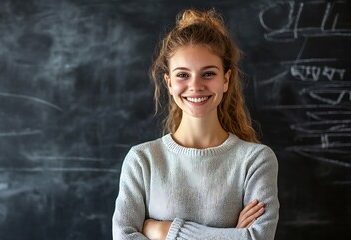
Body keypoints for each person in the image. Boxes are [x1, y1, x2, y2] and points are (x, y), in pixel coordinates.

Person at [112, 8, 279, 240]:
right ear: (169, 83)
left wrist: (164, 231)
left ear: (226, 80)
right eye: (182, 75)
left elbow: (258, 238)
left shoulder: (256, 160)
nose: (195, 85)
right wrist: (233, 235)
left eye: (208, 74)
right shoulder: (142, 160)